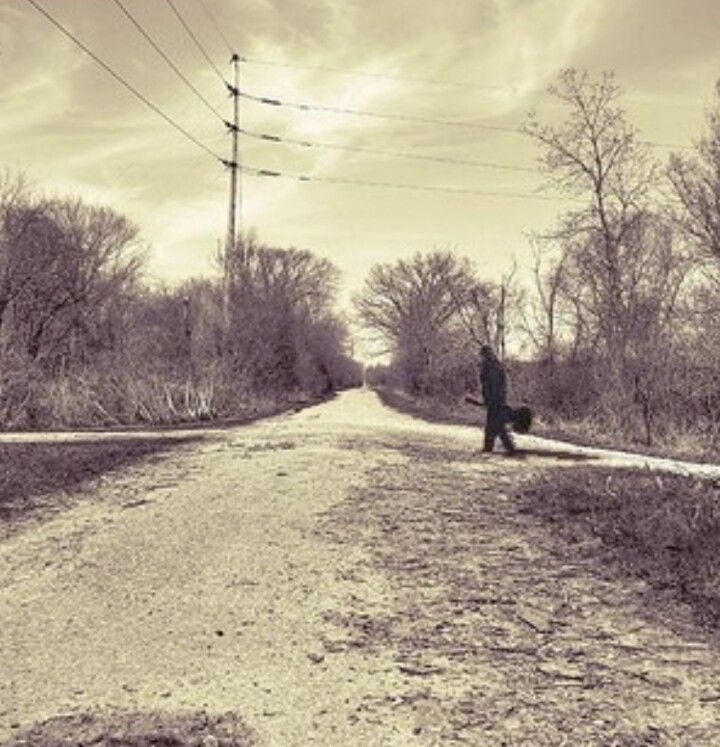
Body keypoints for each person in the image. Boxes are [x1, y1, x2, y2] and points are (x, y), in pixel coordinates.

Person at [478, 344, 516, 454]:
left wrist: (490, 400)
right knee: (495, 425)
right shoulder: (496, 365)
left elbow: (492, 385)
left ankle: (494, 448)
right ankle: (497, 447)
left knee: (494, 425)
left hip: (495, 400)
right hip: (498, 399)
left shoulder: (490, 366)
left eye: (482, 355)